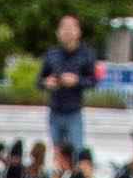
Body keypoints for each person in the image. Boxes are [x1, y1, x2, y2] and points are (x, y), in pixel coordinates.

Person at [41, 15, 98, 163]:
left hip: (74, 112)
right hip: (55, 111)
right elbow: (39, 81)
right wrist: (47, 83)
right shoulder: (51, 54)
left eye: (71, 27)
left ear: (78, 32)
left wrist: (76, 81)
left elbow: (93, 81)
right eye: (63, 27)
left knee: (77, 153)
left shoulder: (87, 54)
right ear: (57, 32)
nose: (67, 31)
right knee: (58, 155)